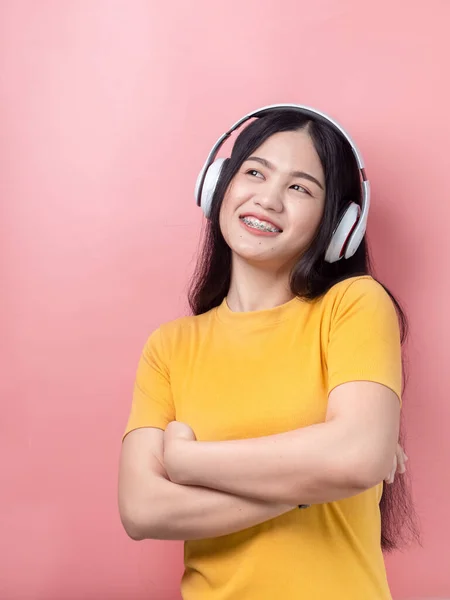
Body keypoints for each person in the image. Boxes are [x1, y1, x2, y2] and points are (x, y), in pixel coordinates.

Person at [118, 104, 417, 600]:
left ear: (338, 224)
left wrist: (189, 463)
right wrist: (317, 483)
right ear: (219, 186)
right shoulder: (170, 346)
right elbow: (141, 509)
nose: (269, 199)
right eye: (255, 172)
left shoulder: (355, 305)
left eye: (300, 187)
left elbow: (358, 459)